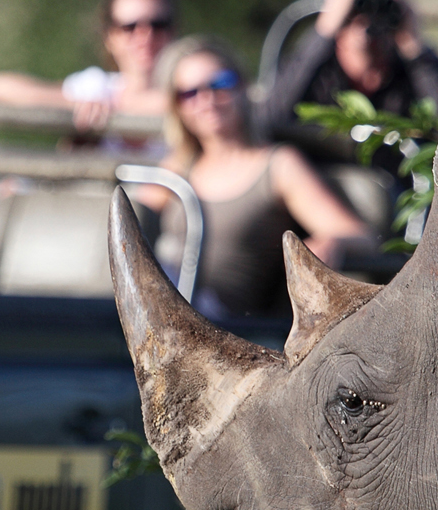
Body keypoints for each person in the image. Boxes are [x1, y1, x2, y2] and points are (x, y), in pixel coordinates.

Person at [143, 37, 369, 320]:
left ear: (241, 86)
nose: (207, 100)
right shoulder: (179, 166)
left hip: (223, 325)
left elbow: (358, 235)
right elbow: (132, 224)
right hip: (163, 305)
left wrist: (331, 243)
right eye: (189, 93)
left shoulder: (277, 165)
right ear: (177, 107)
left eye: (219, 84)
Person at [261, 0, 438, 168]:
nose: (367, 16)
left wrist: (414, 47)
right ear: (334, 8)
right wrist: (323, 33)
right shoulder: (316, 69)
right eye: (357, 3)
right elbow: (269, 121)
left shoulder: (413, 69)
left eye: (382, 5)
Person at [0, 0, 177, 134]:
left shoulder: (194, 91)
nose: (145, 36)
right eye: (129, 27)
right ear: (109, 38)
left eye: (158, 25)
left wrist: (118, 110)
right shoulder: (96, 87)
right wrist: (77, 106)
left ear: (174, 31)